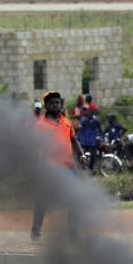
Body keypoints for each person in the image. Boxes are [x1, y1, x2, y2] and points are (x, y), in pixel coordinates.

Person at [32, 92, 86, 243]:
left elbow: (74, 140)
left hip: (68, 168)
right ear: (46, 106)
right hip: (49, 169)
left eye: (57, 102)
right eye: (51, 103)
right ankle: (35, 232)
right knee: (42, 200)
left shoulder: (67, 122)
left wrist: (81, 156)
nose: (55, 105)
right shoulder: (40, 125)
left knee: (73, 200)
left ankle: (73, 234)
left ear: (61, 105)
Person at [78, 107, 102, 174]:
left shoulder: (96, 122)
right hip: (84, 141)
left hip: (92, 142)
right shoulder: (84, 121)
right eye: (87, 112)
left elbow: (100, 130)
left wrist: (100, 138)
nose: (88, 114)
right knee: (82, 155)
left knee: (93, 156)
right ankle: (81, 168)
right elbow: (81, 130)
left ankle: (90, 169)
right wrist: (79, 138)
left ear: (92, 113)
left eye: (89, 112)